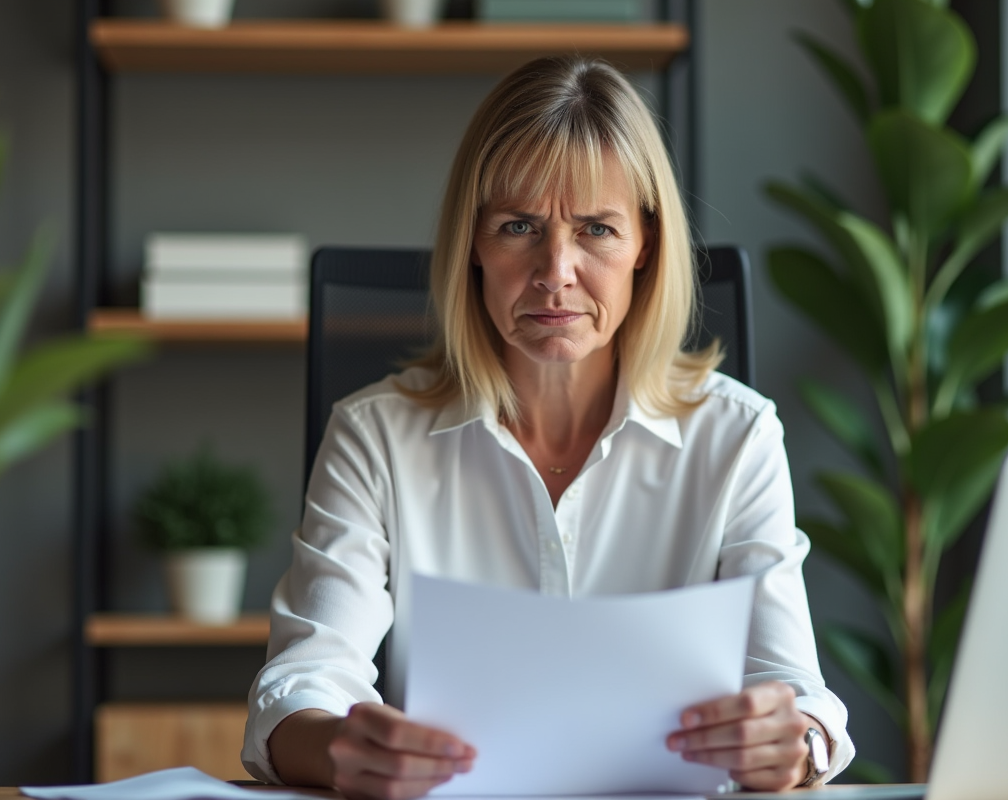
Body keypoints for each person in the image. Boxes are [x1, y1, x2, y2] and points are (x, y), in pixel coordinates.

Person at [242, 56, 855, 798]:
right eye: (519, 226)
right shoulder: (375, 436)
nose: (555, 270)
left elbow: (794, 691)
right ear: (473, 242)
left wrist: (794, 743)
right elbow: (304, 682)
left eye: (597, 228)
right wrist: (342, 746)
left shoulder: (739, 437)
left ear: (646, 247)